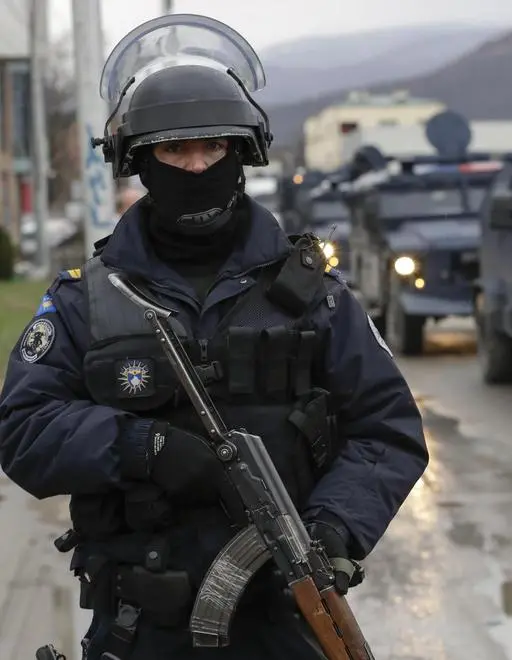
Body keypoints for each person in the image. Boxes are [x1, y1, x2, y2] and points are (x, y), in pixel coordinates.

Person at [0, 14, 428, 660]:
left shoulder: (312, 295)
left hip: (280, 622)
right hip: (137, 628)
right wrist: (142, 447)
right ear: (139, 160)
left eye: (213, 147)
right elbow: (22, 428)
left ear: (242, 153)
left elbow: (388, 429)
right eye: (175, 150)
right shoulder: (87, 299)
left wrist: (334, 529)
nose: (196, 165)